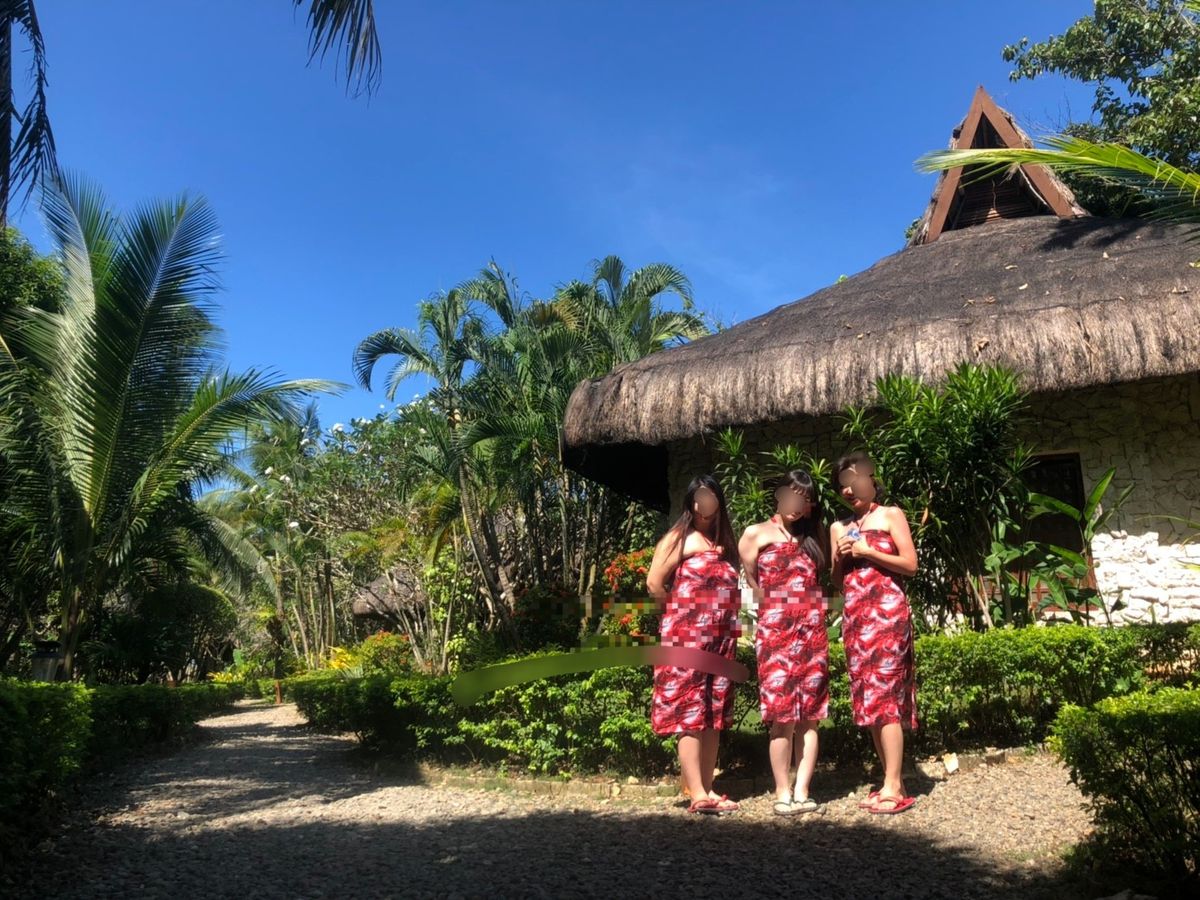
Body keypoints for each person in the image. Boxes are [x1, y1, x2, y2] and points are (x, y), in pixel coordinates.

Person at [646, 474, 741, 815]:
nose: (705, 502)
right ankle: (696, 793)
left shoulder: (724, 541)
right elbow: (654, 583)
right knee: (689, 710)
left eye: (711, 495)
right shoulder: (678, 537)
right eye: (699, 496)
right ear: (691, 501)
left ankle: (708, 788)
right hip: (686, 636)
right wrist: (681, 615)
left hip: (721, 638)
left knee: (713, 712)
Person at [830, 452, 919, 815]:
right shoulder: (839, 527)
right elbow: (838, 582)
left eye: (853, 481)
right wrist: (840, 558)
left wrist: (868, 551)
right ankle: (889, 780)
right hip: (856, 617)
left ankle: (894, 786)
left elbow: (910, 565)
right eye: (841, 485)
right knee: (869, 699)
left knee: (885, 697)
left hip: (887, 616)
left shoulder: (890, 515)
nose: (848, 490)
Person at [739, 470, 828, 816]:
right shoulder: (755, 533)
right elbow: (752, 581)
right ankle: (782, 791)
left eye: (804, 498)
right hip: (775, 635)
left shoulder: (813, 536)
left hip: (812, 633)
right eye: (792, 495)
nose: (796, 503)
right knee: (782, 716)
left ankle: (803, 790)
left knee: (810, 717)